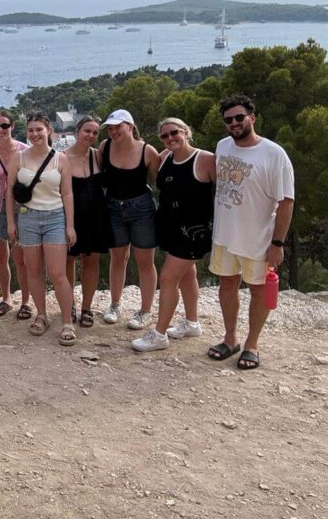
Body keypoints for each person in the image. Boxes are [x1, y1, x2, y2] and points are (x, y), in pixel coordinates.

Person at [207, 95, 294, 370]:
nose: (233, 123)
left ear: (251, 118)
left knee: (258, 290)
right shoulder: (222, 147)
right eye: (228, 119)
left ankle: (252, 344)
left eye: (239, 117)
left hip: (257, 237)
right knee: (227, 285)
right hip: (224, 235)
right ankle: (230, 338)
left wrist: (278, 243)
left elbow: (287, 201)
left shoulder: (274, 154)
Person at [132, 117, 215, 352]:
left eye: (174, 132)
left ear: (186, 132)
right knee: (187, 275)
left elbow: (226, 193)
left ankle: (159, 335)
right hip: (170, 226)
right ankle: (192, 322)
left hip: (194, 231)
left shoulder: (206, 159)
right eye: (165, 135)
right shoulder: (165, 157)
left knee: (168, 278)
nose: (170, 138)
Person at [6, 112, 78, 345]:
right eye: (31, 130)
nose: (35, 134)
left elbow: (67, 194)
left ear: (49, 131)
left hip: (55, 217)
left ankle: (67, 322)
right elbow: (9, 192)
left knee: (57, 274)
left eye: (39, 129)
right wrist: (10, 222)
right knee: (33, 271)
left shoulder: (61, 159)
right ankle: (42, 315)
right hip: (28, 218)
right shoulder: (18, 158)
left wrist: (70, 226)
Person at [98, 109, 161, 329]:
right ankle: (115, 304)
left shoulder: (147, 151)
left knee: (145, 261)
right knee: (118, 258)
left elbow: (158, 183)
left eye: (118, 127)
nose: (114, 131)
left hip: (141, 208)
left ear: (130, 127)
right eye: (111, 128)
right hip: (113, 206)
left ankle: (145, 310)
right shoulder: (105, 148)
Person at [0, 109, 32, 320]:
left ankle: (26, 301)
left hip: (20, 209)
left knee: (21, 258)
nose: (0, 130)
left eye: (4, 125)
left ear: (12, 126)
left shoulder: (25, 151)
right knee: (1, 256)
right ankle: (6, 297)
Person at [64, 115, 112, 328]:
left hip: (95, 216)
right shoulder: (62, 158)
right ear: (77, 132)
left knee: (91, 261)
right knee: (68, 260)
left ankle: (87, 308)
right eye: (87, 131)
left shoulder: (98, 156)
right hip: (71, 218)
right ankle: (69, 304)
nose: (91, 135)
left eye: (94, 132)